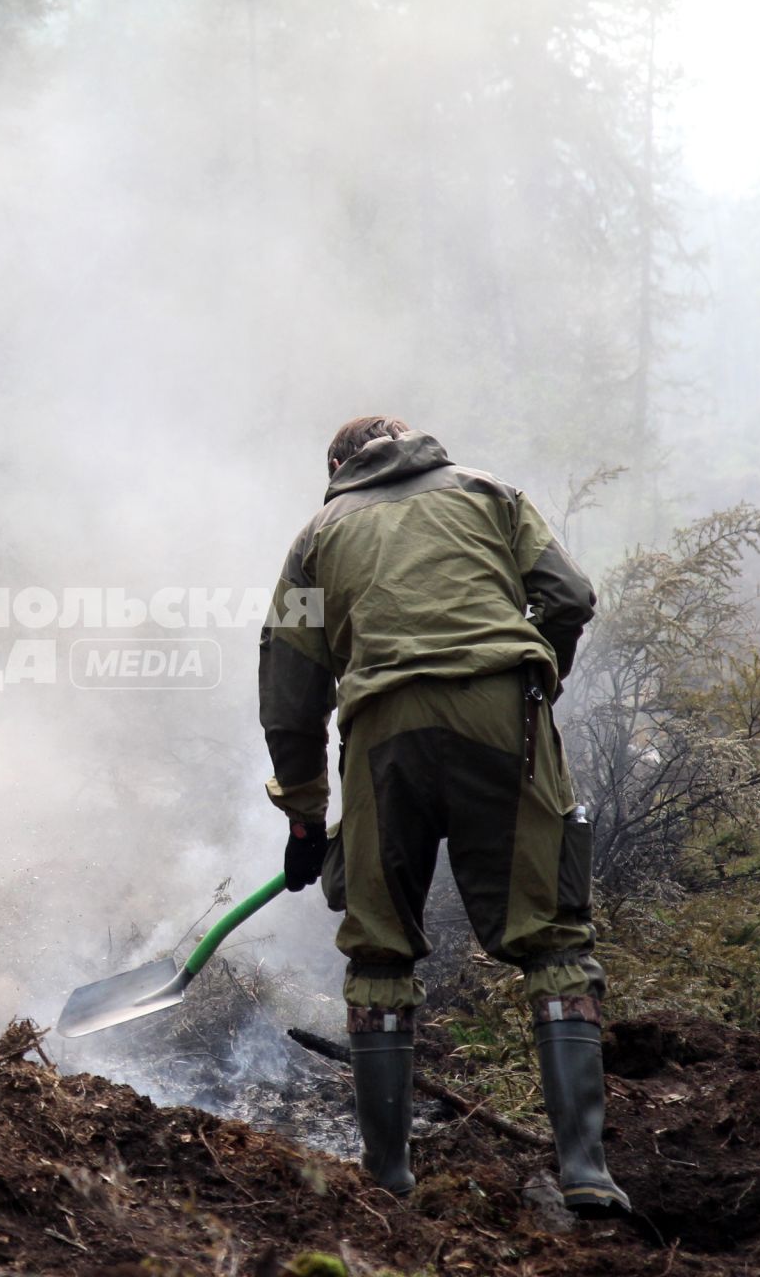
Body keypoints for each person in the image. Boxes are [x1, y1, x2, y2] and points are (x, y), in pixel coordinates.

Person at [257, 415, 628, 1216]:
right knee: (553, 939)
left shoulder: (317, 537)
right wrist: (535, 680)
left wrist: (303, 818)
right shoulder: (490, 493)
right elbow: (570, 596)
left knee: (380, 952)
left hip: (383, 732)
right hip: (505, 717)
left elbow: (290, 696)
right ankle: (586, 1173)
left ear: (337, 469)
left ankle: (387, 1180)